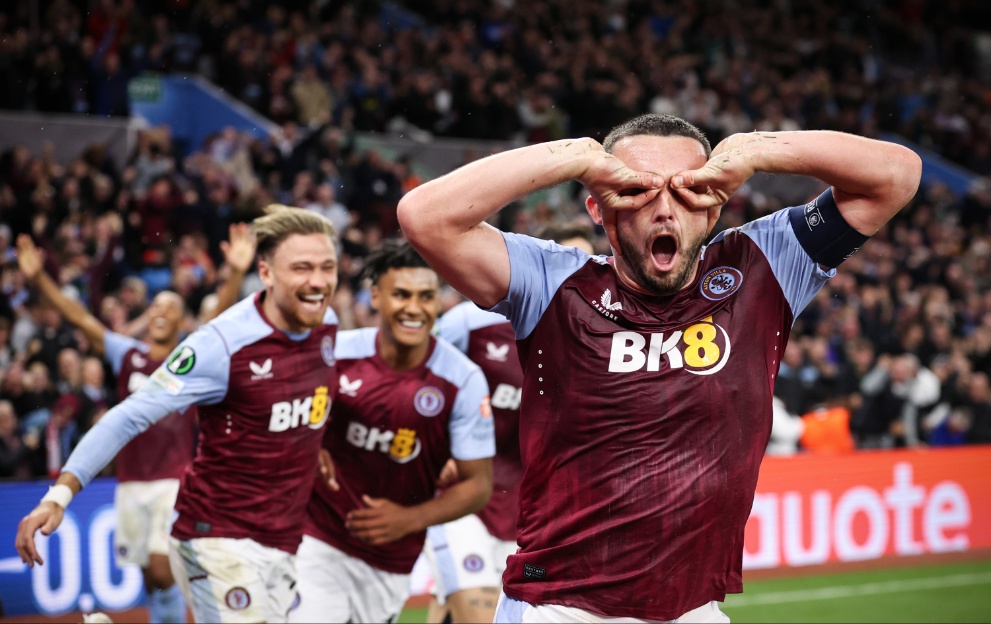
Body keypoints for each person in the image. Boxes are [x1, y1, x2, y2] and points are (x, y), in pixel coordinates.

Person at [397, 113, 921, 621]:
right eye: (640, 191)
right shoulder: (552, 281)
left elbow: (896, 176)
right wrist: (573, 155)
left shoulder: (763, 266)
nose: (665, 211)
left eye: (686, 191)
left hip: (695, 612)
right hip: (560, 610)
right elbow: (425, 217)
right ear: (599, 210)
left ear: (713, 209)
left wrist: (758, 149)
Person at [16, 206, 341, 624]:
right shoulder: (217, 346)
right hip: (216, 535)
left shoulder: (327, 324)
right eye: (302, 268)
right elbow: (126, 416)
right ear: (266, 273)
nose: (318, 281)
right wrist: (59, 494)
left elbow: (311, 395)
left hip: (283, 535)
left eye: (327, 267)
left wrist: (318, 441)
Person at [289, 240, 494, 624]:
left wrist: (409, 519)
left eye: (425, 296)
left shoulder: (463, 380)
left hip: (392, 556)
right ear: (376, 297)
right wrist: (306, 440)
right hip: (316, 534)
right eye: (401, 294)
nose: (414, 308)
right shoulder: (337, 354)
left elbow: (478, 486)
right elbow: (281, 408)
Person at [422, 225, 594, 624]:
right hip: (463, 497)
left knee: (457, 609)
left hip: (532, 516)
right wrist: (434, 449)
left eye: (587, 264)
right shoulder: (470, 322)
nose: (577, 275)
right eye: (566, 262)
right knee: (476, 610)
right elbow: (422, 383)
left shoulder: (599, 341)